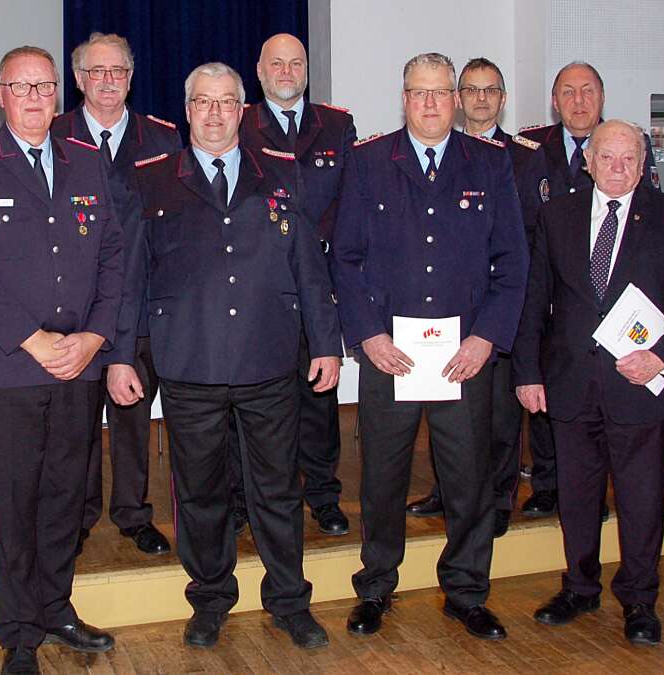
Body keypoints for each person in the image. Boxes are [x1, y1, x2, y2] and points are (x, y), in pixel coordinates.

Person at [113, 61, 341, 651]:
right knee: (200, 493)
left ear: (243, 110)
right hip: (188, 363)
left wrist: (326, 344)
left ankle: (289, 601)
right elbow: (130, 277)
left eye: (225, 102)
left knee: (277, 491)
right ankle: (211, 599)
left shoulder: (282, 173)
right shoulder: (151, 180)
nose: (214, 113)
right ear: (187, 110)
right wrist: (121, 355)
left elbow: (309, 267)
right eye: (203, 102)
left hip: (269, 359)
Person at [331, 52, 528, 641]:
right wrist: (368, 335)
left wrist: (486, 338)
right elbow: (345, 257)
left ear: (456, 100)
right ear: (404, 99)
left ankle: (466, 592)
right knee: (383, 478)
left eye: (441, 92)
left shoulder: (489, 164)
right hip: (390, 354)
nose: (430, 103)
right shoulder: (368, 162)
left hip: (461, 357)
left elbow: (512, 261)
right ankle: (375, 587)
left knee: (468, 480)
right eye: (419, 93)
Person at [0, 45, 122, 675]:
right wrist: (32, 339)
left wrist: (95, 337)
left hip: (78, 362)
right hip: (10, 365)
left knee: (67, 496)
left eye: (44, 86)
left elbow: (112, 256)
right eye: (22, 87)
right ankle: (19, 632)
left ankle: (55, 608)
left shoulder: (87, 161)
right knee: (16, 503)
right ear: (0, 95)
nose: (36, 98)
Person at [514, 119, 664, 647]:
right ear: (588, 163)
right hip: (570, 386)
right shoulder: (557, 214)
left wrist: (660, 358)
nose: (617, 168)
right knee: (576, 499)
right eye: (607, 157)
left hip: (641, 390)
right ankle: (579, 587)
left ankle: (639, 600)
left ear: (643, 164)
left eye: (629, 158)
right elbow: (535, 299)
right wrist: (527, 372)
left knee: (642, 503)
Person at [405, 57, 548, 537]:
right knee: (444, 408)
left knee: (500, 414)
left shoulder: (523, 158)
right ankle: (447, 491)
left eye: (490, 90)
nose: (480, 98)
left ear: (502, 100)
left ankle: (498, 498)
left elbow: (529, 240)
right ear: (458, 99)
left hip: (498, 306)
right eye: (471, 90)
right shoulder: (441, 152)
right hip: (447, 307)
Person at [50, 32, 181, 556]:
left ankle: (132, 512)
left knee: (132, 419)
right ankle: (77, 516)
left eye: (118, 71)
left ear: (131, 77)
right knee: (76, 424)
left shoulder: (163, 139)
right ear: (78, 79)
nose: (108, 81)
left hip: (143, 308)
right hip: (75, 312)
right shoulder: (52, 135)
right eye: (96, 72)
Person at [517, 62, 654, 517]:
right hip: (555, 298)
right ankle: (548, 485)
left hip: (619, 310)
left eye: (588, 91)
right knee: (552, 402)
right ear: (554, 101)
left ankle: (596, 494)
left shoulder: (628, 146)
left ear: (602, 97)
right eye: (568, 92)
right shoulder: (530, 150)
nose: (579, 101)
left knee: (614, 415)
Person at [236, 32, 356, 537]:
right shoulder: (239, 122)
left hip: (318, 280)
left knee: (319, 395)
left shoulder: (337, 124)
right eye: (276, 64)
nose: (286, 72)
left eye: (296, 63)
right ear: (259, 71)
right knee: (254, 397)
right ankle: (246, 499)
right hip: (257, 284)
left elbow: (350, 202)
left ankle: (323, 494)